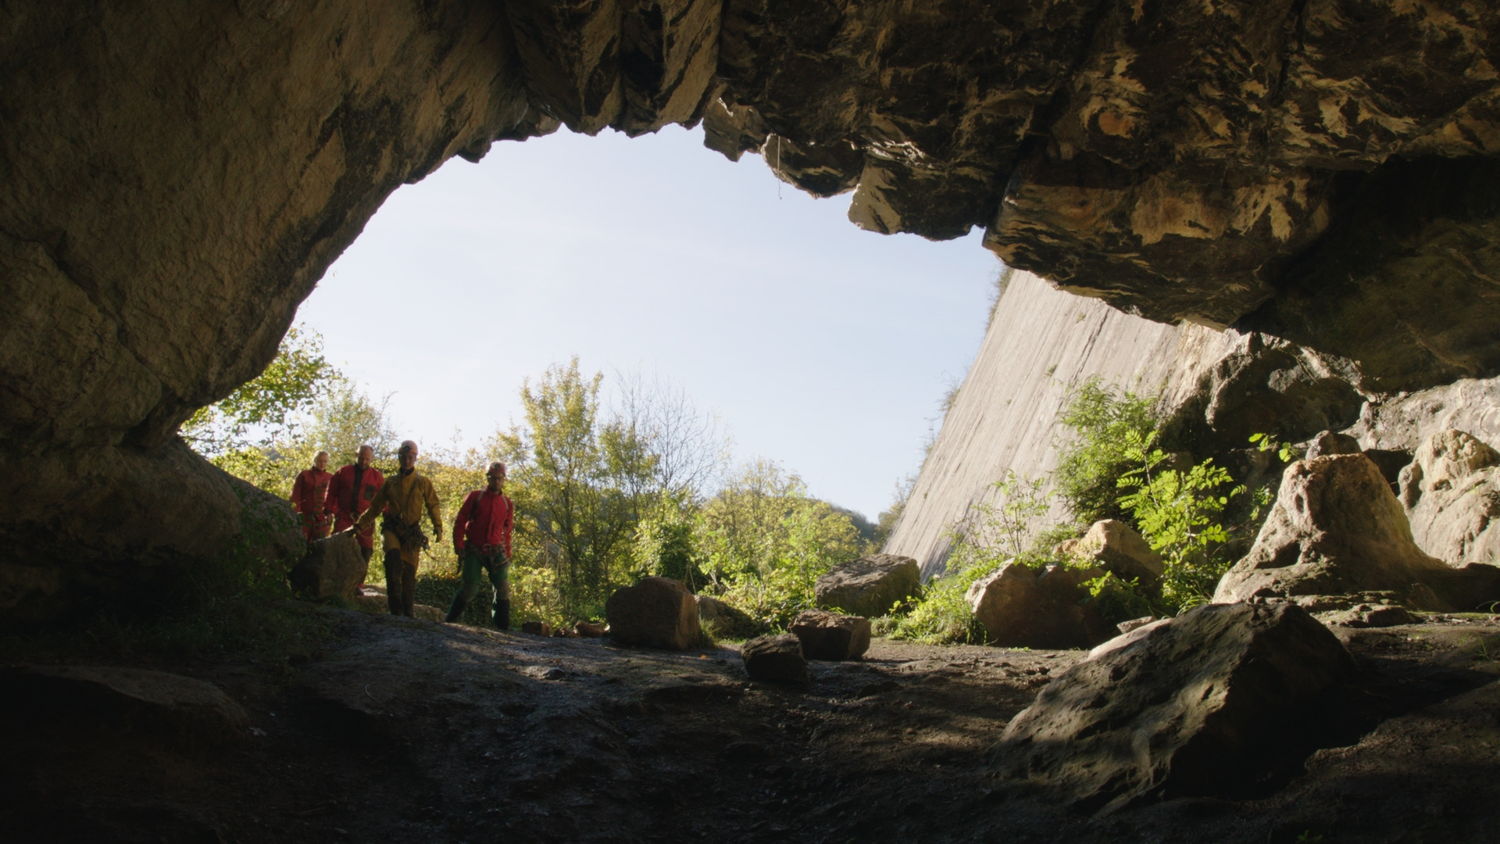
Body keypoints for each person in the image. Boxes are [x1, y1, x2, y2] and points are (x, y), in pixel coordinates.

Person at [357, 440, 442, 617]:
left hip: (411, 532)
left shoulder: (422, 482)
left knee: (409, 574)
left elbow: (432, 504)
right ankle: (395, 610)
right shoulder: (390, 483)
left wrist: (438, 526)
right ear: (399, 457)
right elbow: (375, 507)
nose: (407, 460)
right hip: (392, 528)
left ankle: (408, 612)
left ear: (415, 458)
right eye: (404, 457)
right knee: (393, 562)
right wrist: (359, 525)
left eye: (411, 457)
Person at [446, 462, 515, 630]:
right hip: (474, 548)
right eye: (493, 478)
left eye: (499, 478)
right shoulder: (476, 497)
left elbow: (507, 530)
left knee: (503, 588)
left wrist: (508, 551)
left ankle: (502, 627)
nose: (496, 481)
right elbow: (461, 521)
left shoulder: (507, 504)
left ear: (504, 479)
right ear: (488, 478)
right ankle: (450, 621)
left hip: (496, 549)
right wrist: (458, 544)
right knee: (470, 587)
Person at [325, 444, 385, 564]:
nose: (363, 461)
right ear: (356, 456)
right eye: (361, 458)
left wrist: (387, 514)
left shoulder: (376, 477)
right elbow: (331, 492)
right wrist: (328, 511)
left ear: (371, 459)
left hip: (366, 519)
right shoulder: (343, 472)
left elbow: (384, 499)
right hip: (344, 516)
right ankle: (335, 577)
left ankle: (359, 582)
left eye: (367, 459)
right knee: (337, 545)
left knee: (366, 549)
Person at [290, 451, 333, 542]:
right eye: (320, 461)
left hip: (322, 521)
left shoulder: (330, 477)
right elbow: (295, 496)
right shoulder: (304, 475)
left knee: (319, 548)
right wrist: (295, 513)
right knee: (301, 544)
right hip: (304, 518)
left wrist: (331, 513)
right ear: (315, 460)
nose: (322, 464)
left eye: (325, 461)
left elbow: (333, 498)